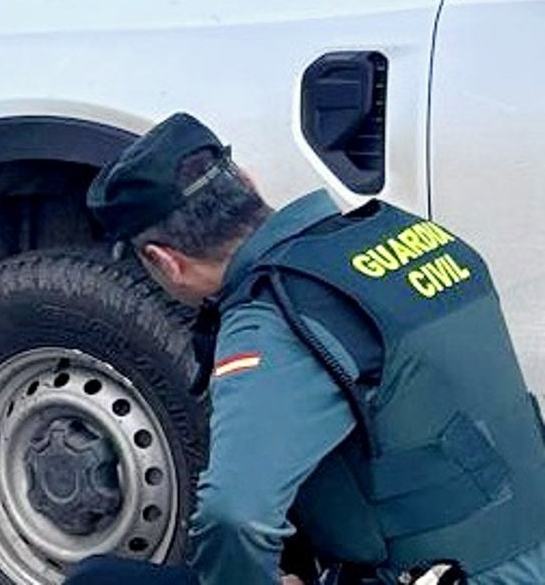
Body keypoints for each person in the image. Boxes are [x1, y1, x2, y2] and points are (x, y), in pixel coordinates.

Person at [67, 112, 545, 585]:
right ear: (249, 182)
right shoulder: (414, 236)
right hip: (523, 553)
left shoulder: (276, 316)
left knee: (93, 581)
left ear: (164, 262)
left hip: (436, 576)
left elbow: (235, 514)